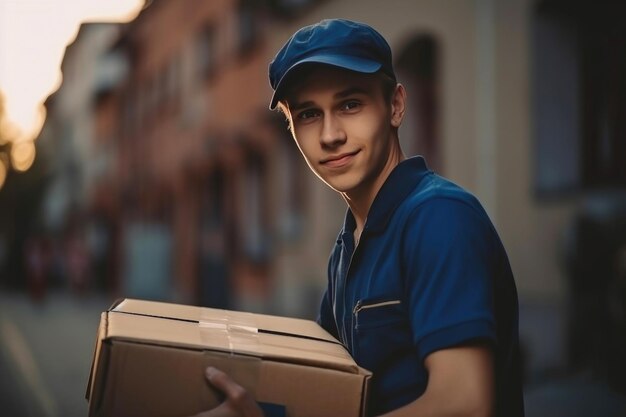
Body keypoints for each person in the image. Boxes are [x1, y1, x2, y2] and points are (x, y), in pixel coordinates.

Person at [195, 18, 524, 417]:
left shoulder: (438, 218)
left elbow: (465, 403)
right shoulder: (348, 245)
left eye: (350, 104)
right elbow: (324, 389)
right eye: (308, 114)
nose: (331, 134)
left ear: (396, 106)